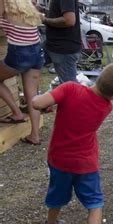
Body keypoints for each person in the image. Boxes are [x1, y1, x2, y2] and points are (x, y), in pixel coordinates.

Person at [32, 63, 113, 224]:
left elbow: (37, 103)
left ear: (99, 77)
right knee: (94, 203)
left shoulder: (70, 89)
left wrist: (47, 100)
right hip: (85, 163)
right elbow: (83, 106)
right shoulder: (106, 107)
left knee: (57, 193)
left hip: (59, 159)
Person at [0, 0, 43, 145]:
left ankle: (17, 113)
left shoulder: (3, 3)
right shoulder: (26, 5)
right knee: (32, 96)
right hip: (36, 51)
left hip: (20, 53)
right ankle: (35, 136)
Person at [41, 0, 80, 83]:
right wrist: (42, 9)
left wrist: (45, 20)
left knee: (70, 87)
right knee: (30, 68)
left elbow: (69, 20)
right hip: (51, 44)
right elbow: (56, 13)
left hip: (63, 48)